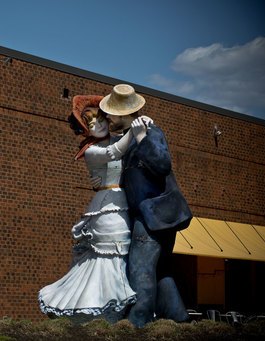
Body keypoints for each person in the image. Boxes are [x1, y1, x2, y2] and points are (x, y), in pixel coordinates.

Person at [99, 84, 193, 327]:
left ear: (123, 114)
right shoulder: (125, 137)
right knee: (160, 270)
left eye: (111, 112)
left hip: (154, 215)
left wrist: (142, 138)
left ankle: (137, 323)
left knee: (140, 269)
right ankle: (178, 318)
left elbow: (162, 165)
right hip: (152, 214)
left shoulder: (150, 133)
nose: (107, 117)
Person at [38, 95, 137, 323]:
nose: (99, 125)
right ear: (86, 129)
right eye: (92, 124)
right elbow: (114, 154)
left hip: (123, 203)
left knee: (122, 255)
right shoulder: (91, 151)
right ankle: (100, 310)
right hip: (106, 207)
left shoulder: (116, 138)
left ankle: (119, 310)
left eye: (101, 120)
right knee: (109, 253)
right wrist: (135, 126)